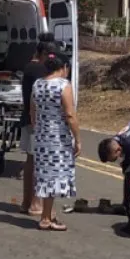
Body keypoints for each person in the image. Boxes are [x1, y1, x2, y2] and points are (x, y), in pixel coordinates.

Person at [30, 50, 81, 231]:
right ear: (64, 67)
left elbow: (33, 113)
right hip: (58, 138)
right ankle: (45, 218)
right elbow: (70, 115)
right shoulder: (63, 85)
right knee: (54, 177)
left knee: (45, 176)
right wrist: (78, 139)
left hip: (42, 137)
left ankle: (49, 214)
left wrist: (40, 129)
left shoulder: (38, 84)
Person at [19, 36, 55, 215]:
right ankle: (34, 204)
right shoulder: (38, 69)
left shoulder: (29, 67)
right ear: (42, 53)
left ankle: (27, 202)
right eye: (49, 55)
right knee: (37, 163)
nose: (51, 59)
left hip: (28, 118)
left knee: (31, 161)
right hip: (36, 121)